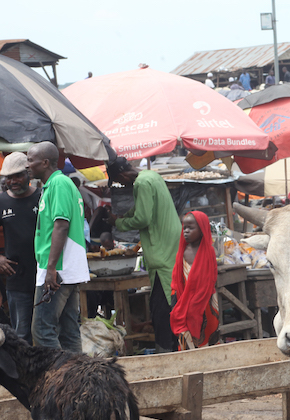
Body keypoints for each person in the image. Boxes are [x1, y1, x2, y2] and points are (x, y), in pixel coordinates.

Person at [106, 157, 182, 352]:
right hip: (170, 247)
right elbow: (138, 209)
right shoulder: (152, 176)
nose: (121, 185)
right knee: (167, 301)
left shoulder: (141, 183)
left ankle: (165, 352)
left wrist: (118, 223)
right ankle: (172, 347)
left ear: (122, 176)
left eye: (119, 182)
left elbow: (143, 217)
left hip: (160, 251)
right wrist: (124, 216)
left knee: (161, 308)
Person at [26, 142, 90, 352]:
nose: (27, 165)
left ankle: (60, 381)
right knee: (68, 331)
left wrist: (51, 269)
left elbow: (61, 225)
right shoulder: (54, 185)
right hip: (64, 268)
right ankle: (77, 381)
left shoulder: (59, 184)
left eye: (30, 160)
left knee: (42, 330)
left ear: (44, 163)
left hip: (58, 268)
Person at [0, 152, 41, 344]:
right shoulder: (2, 201)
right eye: (9, 177)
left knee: (46, 332)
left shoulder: (42, 197)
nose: (13, 181)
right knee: (21, 335)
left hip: (44, 277)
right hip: (17, 279)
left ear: (29, 174)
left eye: (18, 176)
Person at [170, 211, 219, 350]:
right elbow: (177, 279)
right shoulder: (182, 252)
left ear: (202, 229)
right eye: (184, 227)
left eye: (191, 228)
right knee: (184, 334)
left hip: (205, 302)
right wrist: (176, 302)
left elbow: (211, 279)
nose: (186, 231)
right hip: (183, 302)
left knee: (208, 339)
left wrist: (197, 301)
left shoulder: (209, 252)